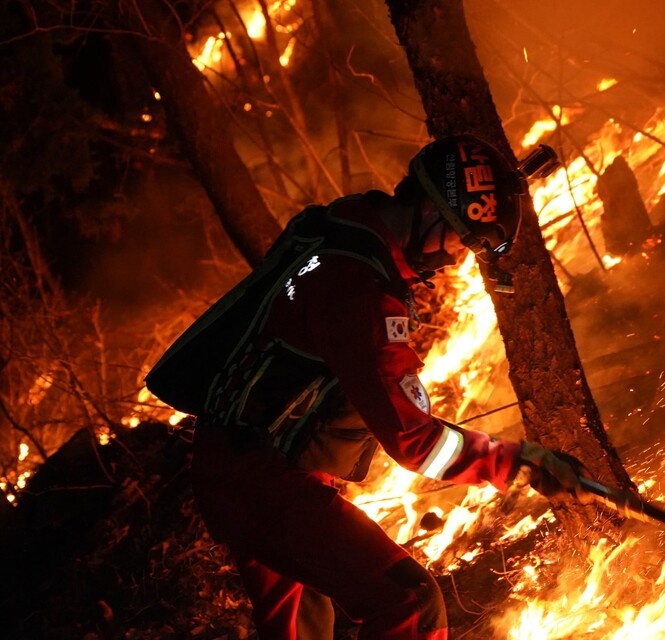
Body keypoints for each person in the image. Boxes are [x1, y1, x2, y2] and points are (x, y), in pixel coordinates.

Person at [150, 134, 588, 639]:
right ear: (429, 210)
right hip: (265, 484)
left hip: (239, 464)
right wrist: (519, 463)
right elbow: (416, 444)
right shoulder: (359, 293)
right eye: (456, 239)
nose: (453, 259)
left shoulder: (340, 225)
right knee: (408, 603)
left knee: (300, 631)